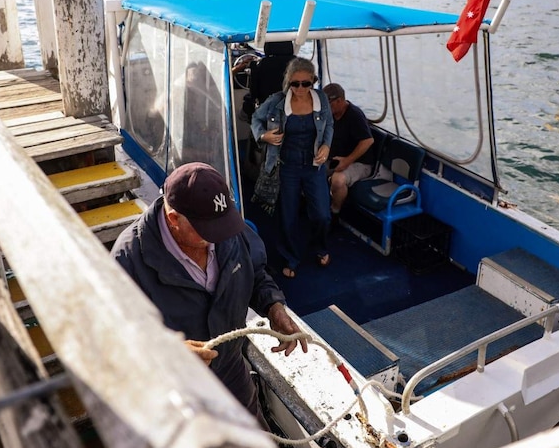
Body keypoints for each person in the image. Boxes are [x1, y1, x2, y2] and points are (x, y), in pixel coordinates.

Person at [111, 162, 307, 427]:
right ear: (174, 220)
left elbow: (256, 272)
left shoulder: (225, 229)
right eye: (208, 231)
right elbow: (117, 339)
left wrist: (273, 306)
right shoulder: (127, 260)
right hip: (175, 391)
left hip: (231, 368)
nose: (219, 237)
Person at [251, 57, 334, 278]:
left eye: (305, 84)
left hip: (313, 166)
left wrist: (326, 145)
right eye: (295, 84)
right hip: (286, 166)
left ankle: (320, 246)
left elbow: (329, 125)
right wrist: (264, 136)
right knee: (288, 216)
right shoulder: (276, 102)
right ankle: (290, 257)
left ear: (313, 82)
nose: (300, 88)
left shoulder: (322, 100)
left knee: (322, 215)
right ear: (288, 83)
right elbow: (255, 119)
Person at [322, 83, 375, 218]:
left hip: (359, 163)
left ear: (339, 101)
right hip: (335, 158)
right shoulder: (331, 115)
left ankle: (335, 212)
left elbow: (368, 141)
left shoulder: (355, 115)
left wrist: (347, 161)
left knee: (338, 180)